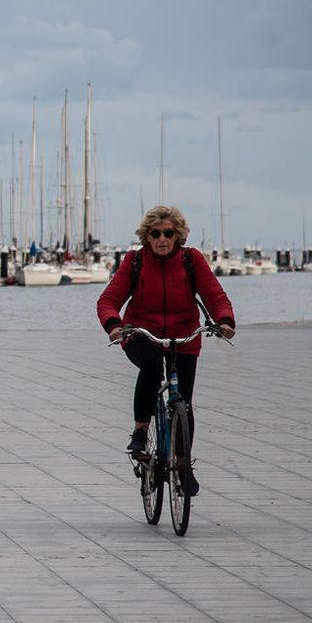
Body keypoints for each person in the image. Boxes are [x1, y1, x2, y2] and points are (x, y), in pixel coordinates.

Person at [96, 205, 235, 497]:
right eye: (155, 234)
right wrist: (114, 324)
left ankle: (183, 465)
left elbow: (213, 293)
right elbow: (109, 298)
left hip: (184, 335)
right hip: (141, 332)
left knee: (183, 401)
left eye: (168, 234)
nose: (162, 239)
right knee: (150, 367)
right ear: (147, 237)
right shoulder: (135, 261)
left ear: (178, 236)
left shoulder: (191, 260)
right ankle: (140, 431)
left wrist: (223, 320)